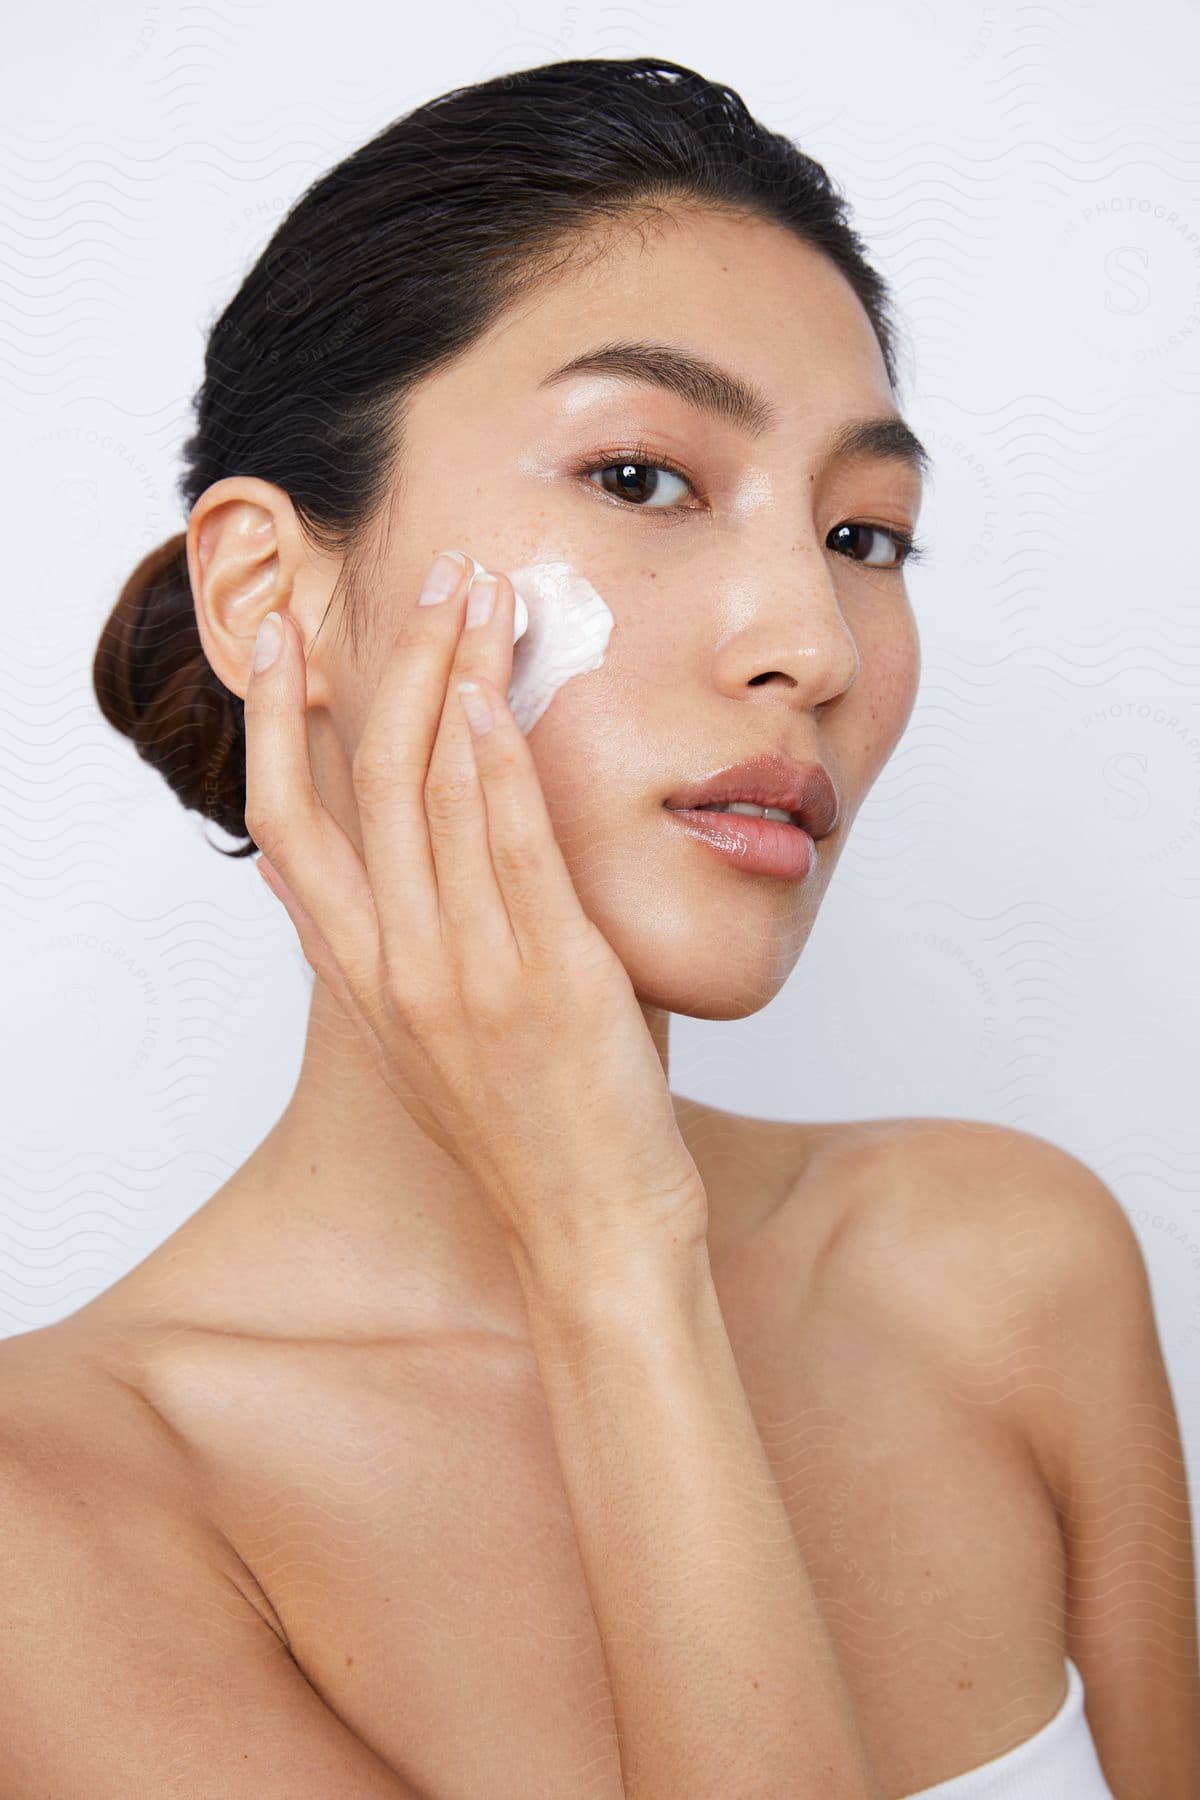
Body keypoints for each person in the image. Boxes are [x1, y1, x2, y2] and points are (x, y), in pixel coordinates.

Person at [3, 55, 1195, 1799]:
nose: (816, 639)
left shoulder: (1005, 1266)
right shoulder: (62, 1510)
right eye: (642, 478)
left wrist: (611, 1246)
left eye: (867, 531)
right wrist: (609, 1255)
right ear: (273, 598)